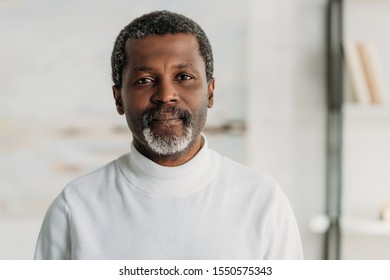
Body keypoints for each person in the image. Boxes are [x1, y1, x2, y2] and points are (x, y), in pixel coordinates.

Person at [34, 10, 303, 260]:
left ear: (210, 92)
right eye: (144, 80)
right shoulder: (76, 208)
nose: (165, 96)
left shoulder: (263, 201)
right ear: (119, 99)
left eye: (184, 77)